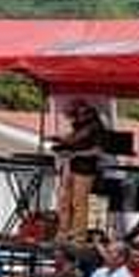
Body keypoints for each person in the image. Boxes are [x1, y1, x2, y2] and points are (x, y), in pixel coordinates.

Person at [51, 100, 106, 240]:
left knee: (79, 203)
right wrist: (60, 141)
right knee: (64, 200)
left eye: (80, 112)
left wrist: (75, 154)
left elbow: (97, 151)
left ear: (89, 113)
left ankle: (78, 235)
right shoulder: (79, 127)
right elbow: (72, 141)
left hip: (85, 169)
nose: (76, 116)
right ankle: (63, 232)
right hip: (70, 166)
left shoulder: (96, 127)